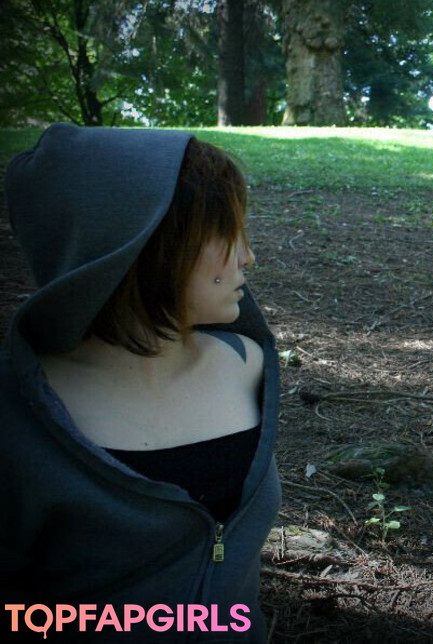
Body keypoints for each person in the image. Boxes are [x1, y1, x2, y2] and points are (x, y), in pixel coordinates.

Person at [1, 124, 281, 642]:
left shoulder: (248, 367)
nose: (248, 256)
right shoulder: (20, 417)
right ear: (146, 247)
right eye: (225, 233)